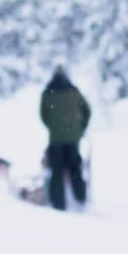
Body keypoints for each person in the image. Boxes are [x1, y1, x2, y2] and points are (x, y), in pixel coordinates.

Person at [40, 67, 90, 211]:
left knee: (57, 171)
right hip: (73, 138)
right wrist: (80, 128)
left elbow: (43, 115)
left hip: (55, 139)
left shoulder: (47, 93)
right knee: (75, 168)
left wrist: (53, 127)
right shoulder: (74, 92)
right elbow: (87, 110)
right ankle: (81, 199)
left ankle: (58, 205)